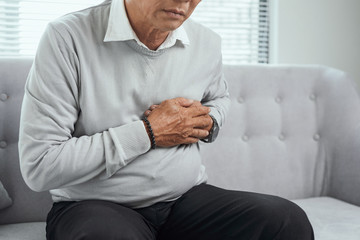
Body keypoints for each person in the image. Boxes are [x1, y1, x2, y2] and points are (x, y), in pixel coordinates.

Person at [18, 0, 314, 239]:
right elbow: (39, 166)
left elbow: (219, 99)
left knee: (286, 221)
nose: (185, 1)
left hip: (185, 199)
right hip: (94, 206)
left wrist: (205, 121)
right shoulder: (66, 37)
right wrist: (148, 132)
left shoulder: (206, 43)